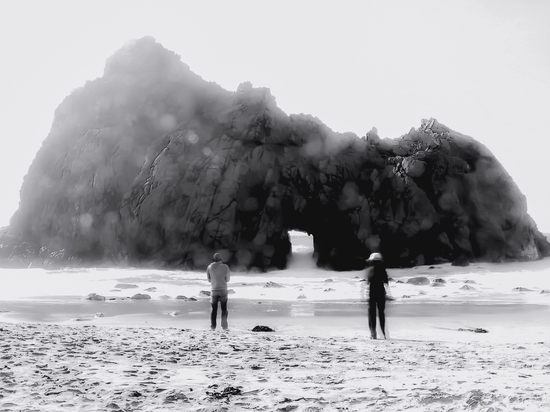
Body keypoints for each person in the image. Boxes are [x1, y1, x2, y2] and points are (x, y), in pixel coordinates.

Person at [365, 252, 389, 339]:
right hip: (380, 292)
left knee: (371, 313)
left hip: (372, 292)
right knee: (381, 313)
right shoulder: (383, 269)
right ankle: (383, 333)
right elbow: (386, 283)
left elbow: (367, 283)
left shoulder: (369, 270)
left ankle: (373, 333)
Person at [206, 252, 231, 330]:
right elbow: (228, 279)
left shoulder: (209, 267)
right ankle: (224, 326)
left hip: (214, 290)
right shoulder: (225, 267)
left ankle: (213, 327)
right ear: (221, 259)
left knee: (213, 310)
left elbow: (209, 280)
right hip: (223, 290)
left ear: (214, 259)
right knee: (224, 309)